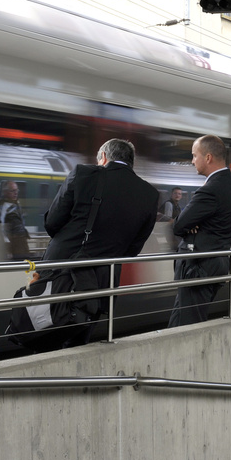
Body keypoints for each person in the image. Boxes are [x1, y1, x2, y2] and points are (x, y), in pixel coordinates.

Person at [42, 138, 158, 346]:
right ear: (131, 163)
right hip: (101, 282)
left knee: (45, 337)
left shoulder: (84, 174)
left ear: (103, 157)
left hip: (62, 273)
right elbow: (133, 250)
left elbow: (52, 224)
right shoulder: (149, 194)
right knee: (79, 341)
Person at [168, 135, 231, 327]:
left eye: (194, 156)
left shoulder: (211, 189)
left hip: (199, 268)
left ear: (208, 158)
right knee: (182, 322)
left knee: (186, 326)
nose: (192, 161)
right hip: (214, 264)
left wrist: (190, 224)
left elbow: (178, 225)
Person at [0, 181, 30, 259]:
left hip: (22, 241)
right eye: (12, 191)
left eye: (16, 190)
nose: (15, 193)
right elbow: (1, 226)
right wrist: (7, 246)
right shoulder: (3, 206)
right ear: (5, 192)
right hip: (13, 242)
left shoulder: (16, 203)